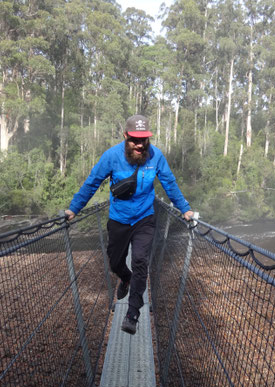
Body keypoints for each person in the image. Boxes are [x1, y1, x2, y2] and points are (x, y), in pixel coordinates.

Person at [65, 114, 194, 335]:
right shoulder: (112, 156)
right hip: (119, 219)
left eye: (144, 139)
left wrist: (185, 208)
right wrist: (73, 209)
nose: (140, 144)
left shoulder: (156, 156)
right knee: (115, 262)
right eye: (135, 139)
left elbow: (169, 183)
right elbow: (92, 182)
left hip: (145, 217)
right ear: (125, 136)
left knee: (141, 260)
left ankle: (133, 313)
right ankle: (125, 277)